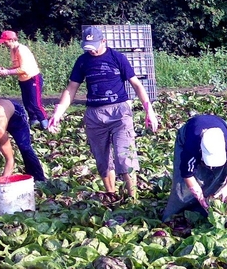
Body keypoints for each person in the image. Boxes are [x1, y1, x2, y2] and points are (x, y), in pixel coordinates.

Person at [48, 26, 159, 200]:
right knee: (103, 160)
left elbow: (137, 85)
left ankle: (132, 199)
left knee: (125, 157)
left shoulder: (117, 58)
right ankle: (111, 195)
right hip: (94, 115)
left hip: (119, 113)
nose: (91, 50)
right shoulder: (83, 61)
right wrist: (58, 113)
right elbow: (71, 89)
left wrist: (149, 111)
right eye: (88, 47)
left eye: (94, 46)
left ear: (103, 41)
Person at [162, 115, 227, 221]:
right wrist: (199, 195)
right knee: (182, 188)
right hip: (190, 132)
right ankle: (179, 212)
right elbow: (187, 174)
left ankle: (216, 211)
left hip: (220, 127)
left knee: (222, 177)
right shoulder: (191, 147)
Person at [0, 98, 46, 182]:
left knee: (25, 148)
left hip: (15, 114)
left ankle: (38, 179)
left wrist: (3, 182)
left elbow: (10, 159)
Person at [0, 30, 49, 129]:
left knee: (36, 104)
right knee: (27, 104)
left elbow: (24, 69)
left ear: (11, 40)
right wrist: (4, 70)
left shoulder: (22, 50)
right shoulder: (12, 50)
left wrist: (7, 72)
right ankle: (34, 124)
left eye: (5, 41)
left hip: (32, 78)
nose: (4, 44)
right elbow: (17, 67)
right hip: (23, 80)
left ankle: (46, 125)